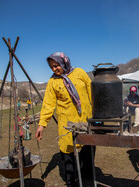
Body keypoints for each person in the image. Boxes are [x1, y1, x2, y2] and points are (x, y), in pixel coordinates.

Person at [35, 52, 94, 186]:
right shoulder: (53, 82)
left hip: (85, 121)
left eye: (56, 65)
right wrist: (41, 125)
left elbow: (92, 93)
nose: (55, 69)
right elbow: (48, 104)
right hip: (67, 124)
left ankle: (86, 179)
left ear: (64, 62)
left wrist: (97, 114)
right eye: (52, 67)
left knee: (87, 151)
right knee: (67, 154)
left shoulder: (79, 73)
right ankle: (70, 181)